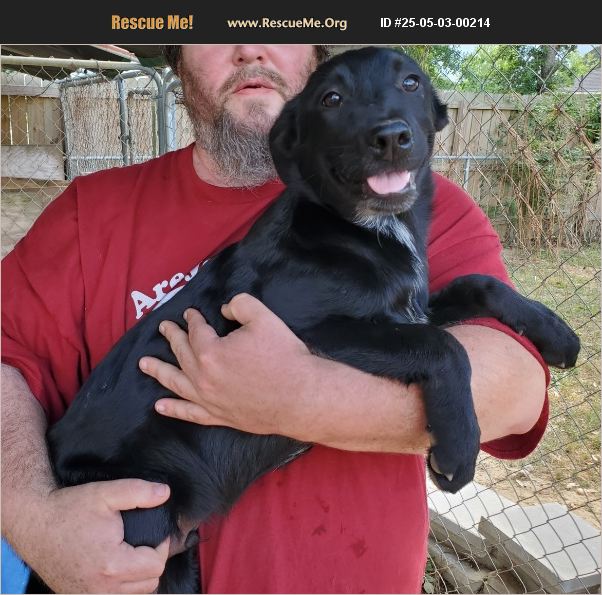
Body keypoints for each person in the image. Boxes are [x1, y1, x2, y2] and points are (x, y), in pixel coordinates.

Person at [1, 45, 550, 594]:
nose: (250, 45)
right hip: (131, 520)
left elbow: (515, 393)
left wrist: (299, 397)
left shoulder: (420, 201)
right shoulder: (91, 212)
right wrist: (36, 520)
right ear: (177, 58)